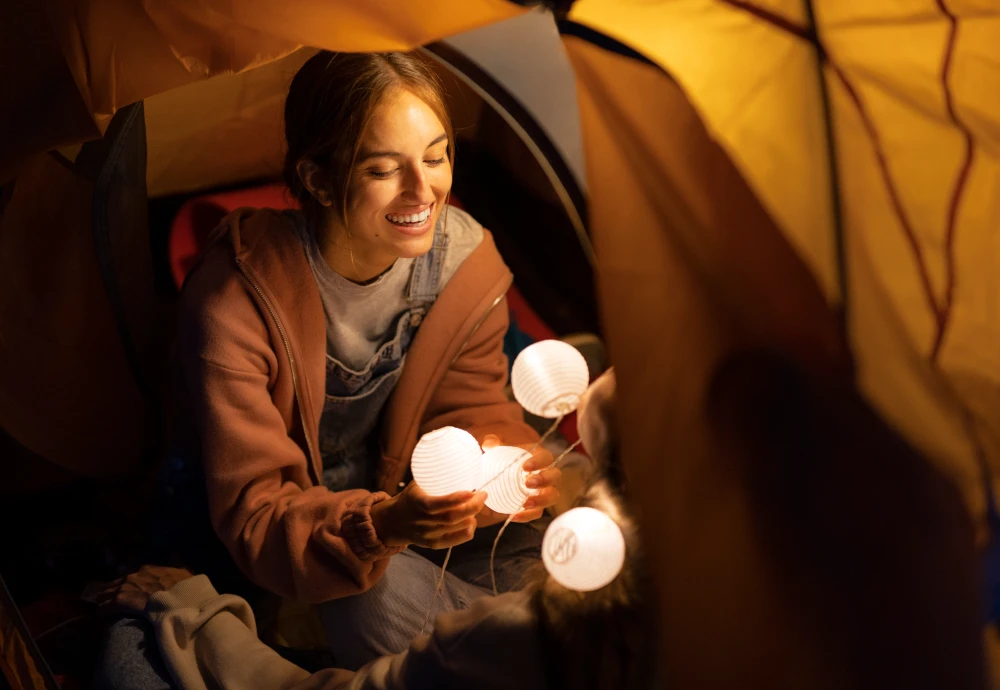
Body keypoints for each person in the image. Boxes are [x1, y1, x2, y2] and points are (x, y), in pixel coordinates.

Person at [97, 49, 568, 687]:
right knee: (137, 650)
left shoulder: (462, 261)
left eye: (436, 157)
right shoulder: (235, 300)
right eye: (383, 169)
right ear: (317, 179)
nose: (423, 191)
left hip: (398, 497)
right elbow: (256, 507)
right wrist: (380, 526)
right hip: (270, 525)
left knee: (564, 576)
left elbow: (472, 411)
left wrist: (510, 471)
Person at [99, 370, 660, 690]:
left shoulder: (529, 634)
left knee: (131, 648)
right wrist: (564, 488)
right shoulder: (711, 542)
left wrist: (197, 612)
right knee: (358, 584)